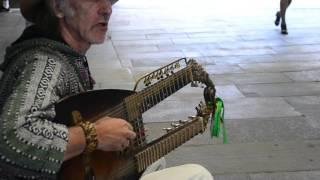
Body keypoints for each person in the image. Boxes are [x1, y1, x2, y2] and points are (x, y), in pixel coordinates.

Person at [0, 0, 214, 179]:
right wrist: (95, 135)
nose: (107, 8)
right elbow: (10, 140)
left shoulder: (63, 54)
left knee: (153, 160)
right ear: (58, 7)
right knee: (197, 174)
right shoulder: (46, 64)